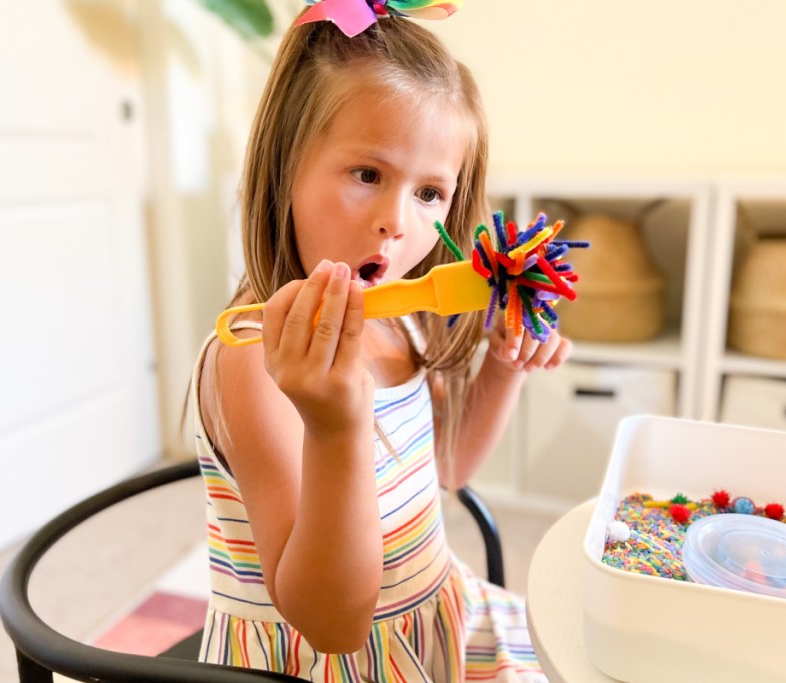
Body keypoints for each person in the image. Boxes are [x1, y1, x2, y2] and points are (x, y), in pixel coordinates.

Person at [185, 6, 571, 681]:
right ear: (284, 170)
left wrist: (504, 369)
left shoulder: (408, 318)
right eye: (368, 174)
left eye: (429, 192)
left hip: (434, 617)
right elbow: (332, 623)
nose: (398, 222)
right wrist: (336, 428)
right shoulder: (254, 360)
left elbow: (445, 470)